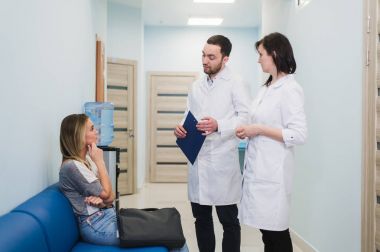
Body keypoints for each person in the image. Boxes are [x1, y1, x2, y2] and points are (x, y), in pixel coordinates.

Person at [59, 113, 189, 251]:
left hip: (108, 216)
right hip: (97, 226)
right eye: (91, 129)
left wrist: (103, 199)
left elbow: (110, 197)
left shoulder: (85, 161)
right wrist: (100, 162)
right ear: (79, 135)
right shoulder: (72, 166)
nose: (96, 131)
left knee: (173, 232)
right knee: (173, 238)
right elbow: (108, 194)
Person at [174, 35, 250, 252]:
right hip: (198, 160)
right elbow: (189, 114)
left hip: (222, 162)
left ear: (225, 59)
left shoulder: (236, 83)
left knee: (229, 222)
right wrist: (180, 127)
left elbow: (245, 118)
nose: (205, 61)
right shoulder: (196, 86)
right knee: (201, 219)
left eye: (211, 57)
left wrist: (219, 125)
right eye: (203, 55)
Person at [235, 32, 307, 252]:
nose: (258, 59)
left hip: (273, 173)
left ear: (274, 54)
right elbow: (256, 120)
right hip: (258, 170)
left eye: (261, 54)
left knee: (277, 234)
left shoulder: (290, 89)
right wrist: (247, 129)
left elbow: (299, 134)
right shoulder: (266, 88)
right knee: (267, 233)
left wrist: (258, 129)